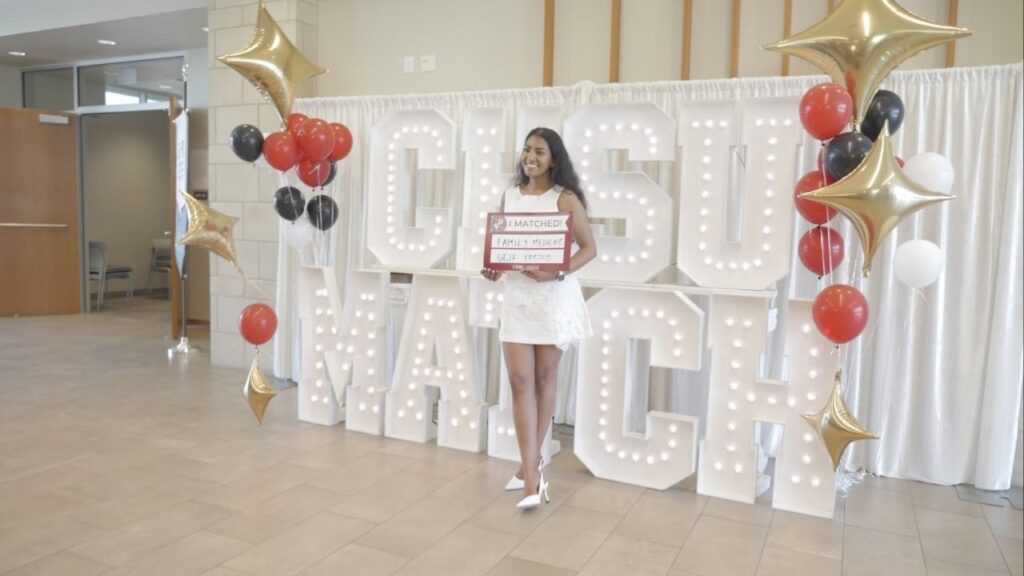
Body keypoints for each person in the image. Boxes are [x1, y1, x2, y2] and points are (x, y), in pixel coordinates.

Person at [481, 127, 596, 510]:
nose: (531, 157)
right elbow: (506, 247)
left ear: (554, 158)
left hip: (553, 300)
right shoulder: (510, 196)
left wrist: (557, 272)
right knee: (519, 381)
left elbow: (589, 249)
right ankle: (532, 472)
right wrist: (494, 268)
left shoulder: (565, 199)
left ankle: (530, 471)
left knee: (544, 380)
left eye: (540, 152)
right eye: (528, 150)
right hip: (517, 299)